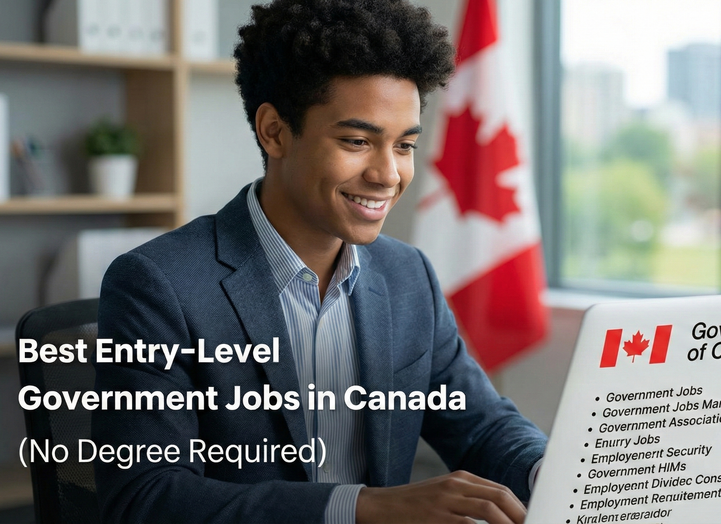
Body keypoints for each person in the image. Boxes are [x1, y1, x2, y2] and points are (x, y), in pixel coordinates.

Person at [92, 1, 548, 523]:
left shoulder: (408, 276)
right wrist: (361, 508)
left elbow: (484, 427)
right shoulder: (157, 284)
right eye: (357, 141)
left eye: (403, 146)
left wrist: (553, 471)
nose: (388, 174)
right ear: (275, 131)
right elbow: (146, 496)